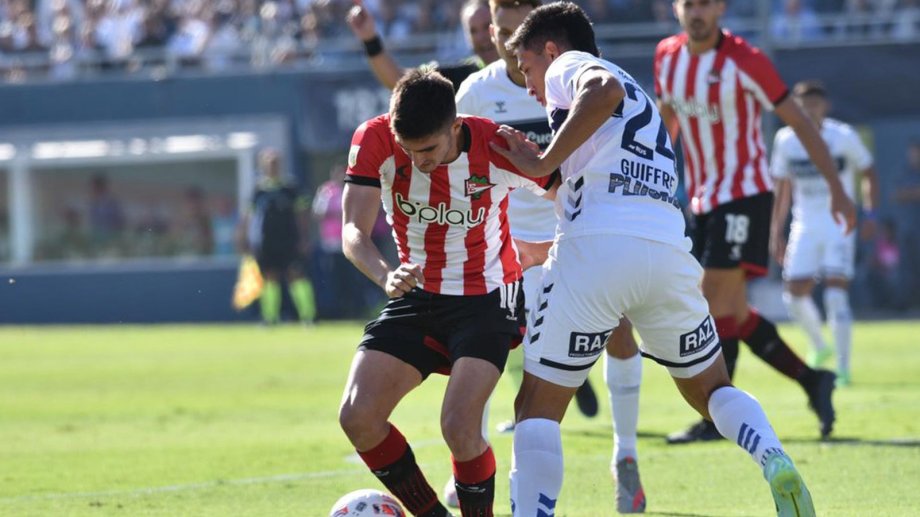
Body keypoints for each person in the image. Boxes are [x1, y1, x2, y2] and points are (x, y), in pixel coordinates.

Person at [493, 4, 816, 516]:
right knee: (712, 389)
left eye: (526, 67)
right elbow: (596, 177)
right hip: (666, 252)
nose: (529, 84)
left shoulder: (570, 68)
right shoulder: (638, 96)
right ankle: (772, 456)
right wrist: (542, 173)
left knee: (535, 408)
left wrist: (543, 159)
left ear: (551, 51)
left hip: (595, 255)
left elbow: (601, 91)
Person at [338, 69, 555, 517]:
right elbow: (352, 230)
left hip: (486, 298)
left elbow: (575, 196)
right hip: (416, 294)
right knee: (357, 416)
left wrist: (549, 248)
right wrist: (385, 275)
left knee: (459, 426)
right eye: (408, 149)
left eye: (429, 150)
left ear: (456, 126)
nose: (418, 160)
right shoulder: (374, 138)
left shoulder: (496, 144)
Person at [455, 0, 643, 512]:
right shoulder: (475, 93)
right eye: (499, 30)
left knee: (619, 333)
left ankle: (626, 454)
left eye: (515, 30)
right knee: (484, 347)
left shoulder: (570, 79)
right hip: (511, 248)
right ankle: (473, 465)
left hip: (579, 232)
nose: (505, 41)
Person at [654, 0, 856, 443]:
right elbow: (667, 119)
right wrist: (651, 173)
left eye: (704, 4)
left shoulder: (746, 60)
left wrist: (837, 189)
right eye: (688, 4)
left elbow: (799, 121)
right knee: (735, 313)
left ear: (720, 8)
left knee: (709, 302)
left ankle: (715, 419)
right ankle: (812, 380)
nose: (696, 12)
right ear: (676, 8)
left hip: (744, 195)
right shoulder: (667, 56)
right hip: (702, 201)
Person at [770, 80, 879, 388]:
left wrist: (870, 212)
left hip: (838, 224)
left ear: (825, 106)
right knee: (793, 295)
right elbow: (781, 187)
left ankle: (843, 369)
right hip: (804, 224)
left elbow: (868, 170)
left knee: (835, 295)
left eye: (815, 104)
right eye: (803, 104)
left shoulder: (843, 136)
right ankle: (819, 345)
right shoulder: (785, 140)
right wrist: (775, 230)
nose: (809, 110)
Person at [235, 148, 315, 325]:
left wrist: (304, 238)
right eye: (269, 164)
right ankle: (270, 317)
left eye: (275, 163)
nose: (272, 167)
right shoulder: (258, 190)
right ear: (263, 166)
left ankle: (308, 316)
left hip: (289, 239)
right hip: (266, 241)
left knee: (296, 275)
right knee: (269, 277)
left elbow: (302, 214)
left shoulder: (290, 188)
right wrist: (243, 237)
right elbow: (248, 216)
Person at [346, 0, 498, 91]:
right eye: (473, 31)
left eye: (487, 26)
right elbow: (399, 80)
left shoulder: (515, 67)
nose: (482, 37)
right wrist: (370, 39)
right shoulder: (464, 77)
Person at [891, 139, 920, 308]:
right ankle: (903, 303)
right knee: (906, 268)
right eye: (912, 152)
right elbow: (895, 195)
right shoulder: (903, 171)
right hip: (907, 228)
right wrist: (913, 193)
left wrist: (909, 193)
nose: (914, 156)